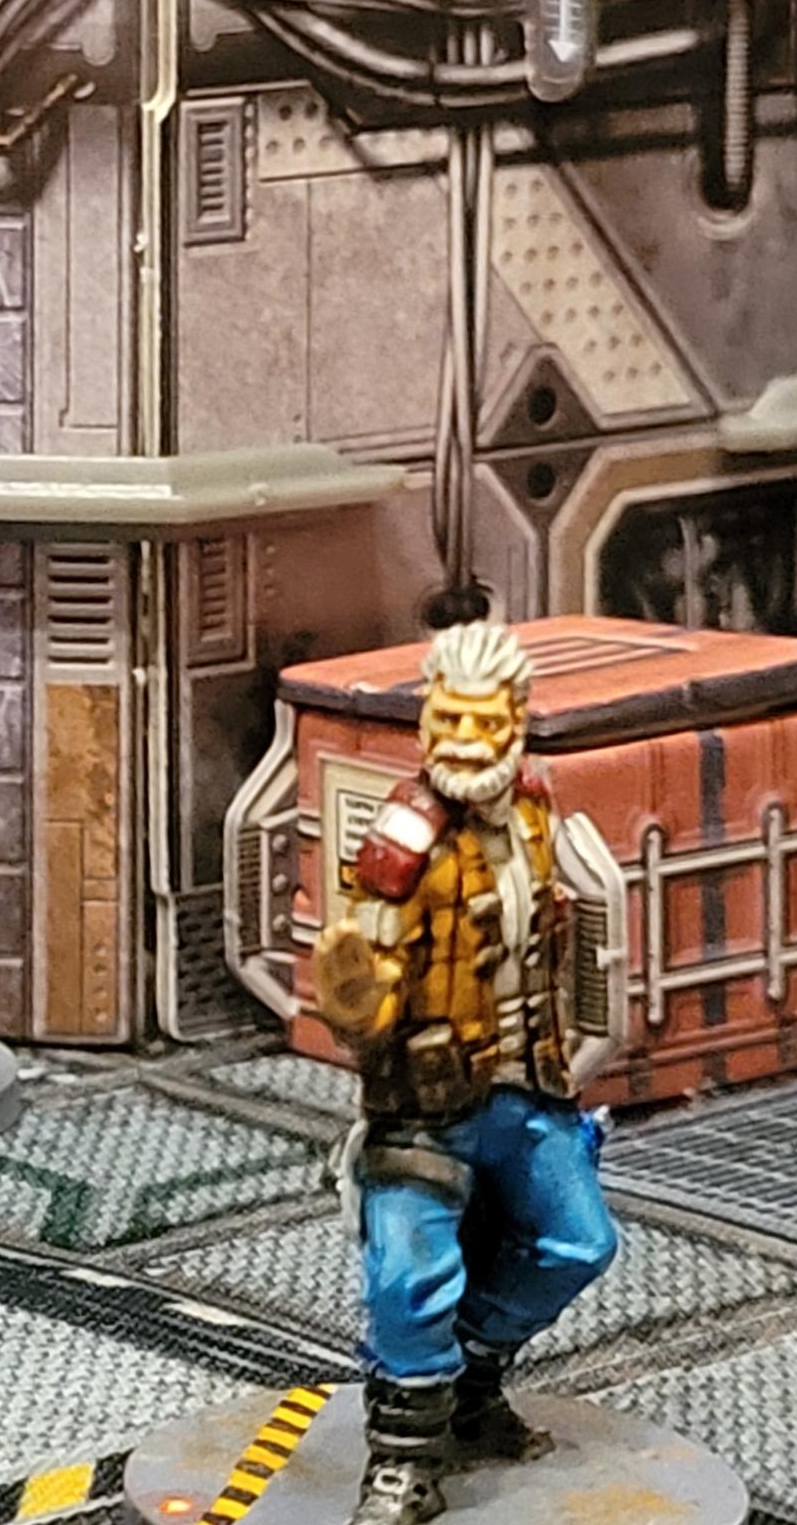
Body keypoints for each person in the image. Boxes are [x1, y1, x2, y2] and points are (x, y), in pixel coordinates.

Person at [312, 619, 619, 1525]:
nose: (466, 742)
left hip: (530, 1081)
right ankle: (402, 1459)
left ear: (517, 719)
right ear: (425, 720)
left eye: (485, 722)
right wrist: (356, 992)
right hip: (427, 1101)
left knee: (578, 1242)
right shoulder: (405, 838)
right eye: (449, 719)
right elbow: (365, 977)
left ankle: (473, 1386)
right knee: (406, 1278)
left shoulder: (532, 809)